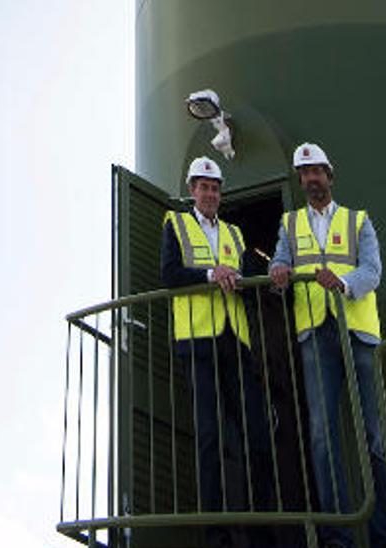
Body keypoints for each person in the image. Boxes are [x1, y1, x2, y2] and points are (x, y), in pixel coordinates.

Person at [268, 143, 386, 548]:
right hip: (314, 333)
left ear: (330, 175)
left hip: (357, 333)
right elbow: (279, 261)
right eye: (305, 174)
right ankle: (337, 537)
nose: (311, 180)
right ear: (300, 179)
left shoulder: (358, 221)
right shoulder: (289, 224)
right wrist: (277, 271)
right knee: (323, 437)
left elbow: (372, 271)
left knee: (373, 437)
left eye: (317, 172)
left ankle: (384, 534)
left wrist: (343, 284)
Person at [162, 156, 275, 547]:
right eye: (203, 187)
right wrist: (212, 275)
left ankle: (264, 535)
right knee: (209, 438)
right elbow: (170, 275)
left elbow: (248, 273)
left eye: (215, 187)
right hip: (196, 340)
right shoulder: (175, 224)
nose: (209, 193)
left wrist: (263, 276)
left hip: (235, 341)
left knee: (257, 435)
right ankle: (217, 537)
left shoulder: (236, 234)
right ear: (192, 190)